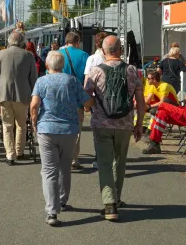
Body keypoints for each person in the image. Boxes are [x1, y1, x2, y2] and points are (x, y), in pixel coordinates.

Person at [85, 36, 145, 221]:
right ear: (120, 50)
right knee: (119, 161)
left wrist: (91, 105)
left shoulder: (95, 71)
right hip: (125, 123)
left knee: (104, 162)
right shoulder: (132, 70)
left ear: (103, 51)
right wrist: (139, 124)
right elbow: (140, 101)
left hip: (102, 124)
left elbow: (86, 99)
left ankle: (109, 204)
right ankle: (117, 198)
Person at [30, 51, 92, 226]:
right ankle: (62, 201)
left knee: (49, 170)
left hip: (47, 129)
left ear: (47, 65)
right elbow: (87, 102)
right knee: (64, 168)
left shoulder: (41, 81)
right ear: (62, 65)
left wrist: (34, 123)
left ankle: (52, 211)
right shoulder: (71, 81)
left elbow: (34, 105)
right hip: (69, 130)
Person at [0, 30, 38, 166]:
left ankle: (10, 155)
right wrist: (34, 94)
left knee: (7, 125)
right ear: (22, 42)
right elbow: (33, 77)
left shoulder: (0, 54)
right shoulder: (28, 55)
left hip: (4, 94)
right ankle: (19, 151)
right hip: (22, 94)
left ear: (9, 41)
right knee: (21, 124)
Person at [59, 32, 90, 170]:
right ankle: (73, 159)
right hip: (77, 99)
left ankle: (61, 156)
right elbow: (88, 78)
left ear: (66, 41)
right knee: (76, 130)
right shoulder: (84, 55)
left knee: (61, 128)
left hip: (59, 99)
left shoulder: (57, 55)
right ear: (77, 42)